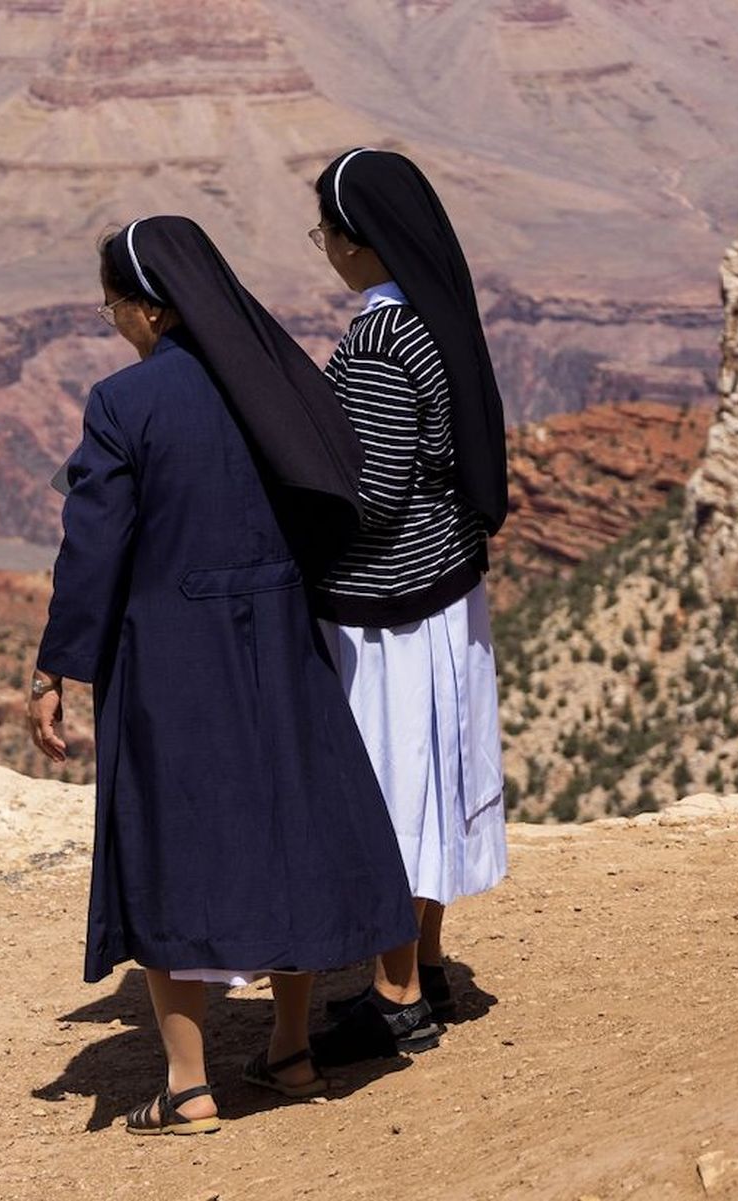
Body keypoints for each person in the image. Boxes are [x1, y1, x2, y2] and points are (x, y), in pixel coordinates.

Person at [26, 216, 417, 1135]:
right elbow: (339, 484)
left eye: (114, 304)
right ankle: (289, 1049)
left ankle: (189, 1085)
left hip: (169, 651)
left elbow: (94, 547)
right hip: (282, 634)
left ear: (148, 306)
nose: (113, 320)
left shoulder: (125, 403)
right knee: (293, 823)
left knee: (173, 843)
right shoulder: (276, 380)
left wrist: (57, 666)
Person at [305, 148, 510, 1066]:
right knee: (433, 776)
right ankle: (424, 961)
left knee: (391, 787)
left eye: (328, 234)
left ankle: (394, 998)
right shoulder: (439, 316)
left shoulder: (380, 341)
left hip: (391, 600)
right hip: (447, 581)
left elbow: (374, 490)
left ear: (361, 241)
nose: (328, 252)